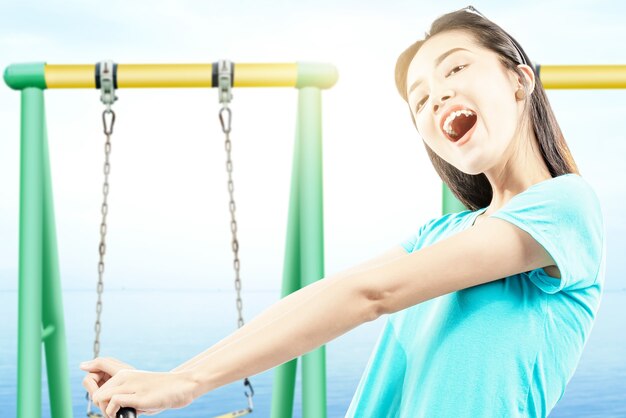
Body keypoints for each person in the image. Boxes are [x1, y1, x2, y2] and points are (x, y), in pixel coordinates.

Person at [80, 5, 606, 417]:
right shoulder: (441, 233)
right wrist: (172, 375)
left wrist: (185, 386)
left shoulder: (565, 207)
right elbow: (325, 294)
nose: (437, 97)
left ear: (519, 80)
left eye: (457, 68)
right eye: (419, 100)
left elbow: (372, 295)